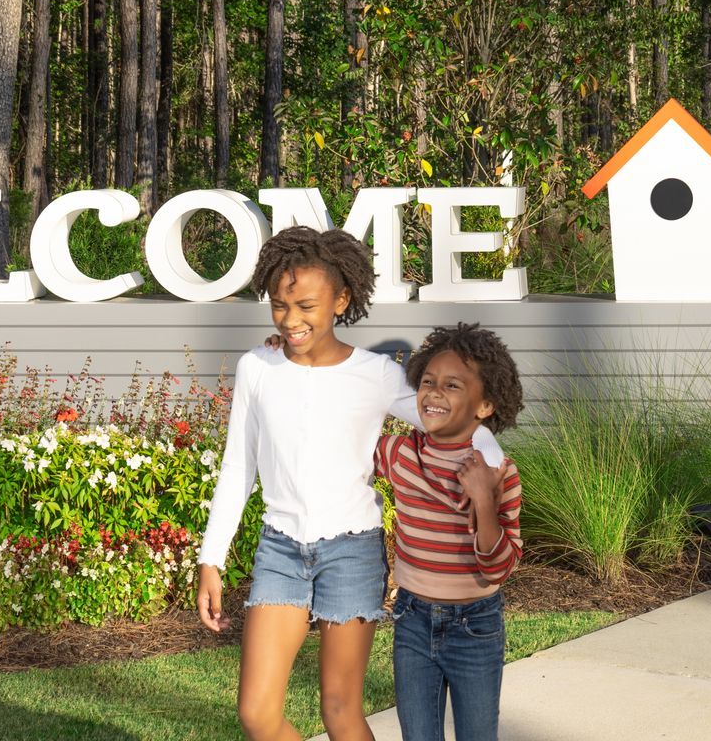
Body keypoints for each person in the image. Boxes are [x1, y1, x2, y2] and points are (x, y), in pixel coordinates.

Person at [196, 227, 504, 741]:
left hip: (353, 551)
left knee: (340, 711)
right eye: (279, 305)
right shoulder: (258, 367)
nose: (290, 320)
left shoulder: (377, 374)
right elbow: (237, 468)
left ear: (341, 300)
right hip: (280, 550)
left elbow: (448, 416)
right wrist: (212, 558)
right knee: (256, 713)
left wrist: (489, 464)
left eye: (306, 305)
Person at [379, 322, 525, 741]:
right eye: (427, 382)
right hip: (411, 619)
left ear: (485, 406)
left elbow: (498, 566)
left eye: (453, 385)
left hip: (475, 627)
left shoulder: (498, 472)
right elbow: (343, 428)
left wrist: (482, 499)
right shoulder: (399, 453)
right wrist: (292, 355)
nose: (434, 393)